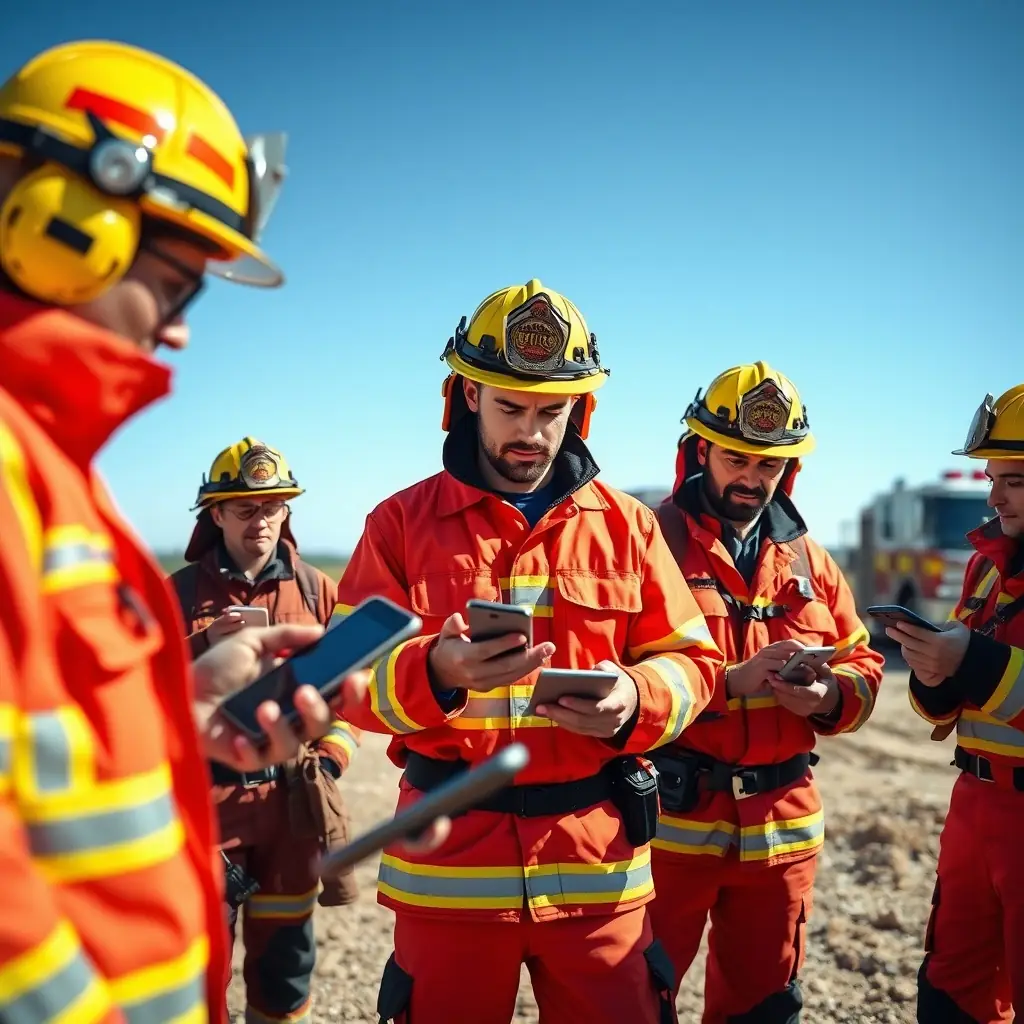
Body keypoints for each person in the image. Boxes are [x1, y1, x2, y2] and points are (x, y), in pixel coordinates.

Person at [0, 39, 445, 1024]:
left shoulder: (44, 469)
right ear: (63, 229)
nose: (180, 330)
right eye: (179, 283)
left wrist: (178, 722)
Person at [332, 278, 724, 1024]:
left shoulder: (630, 526)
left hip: (599, 873)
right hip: (447, 875)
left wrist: (637, 697)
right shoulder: (398, 524)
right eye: (511, 408)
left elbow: (695, 663)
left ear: (582, 409)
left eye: (553, 412)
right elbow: (341, 680)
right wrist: (434, 673)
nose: (533, 433)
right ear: (467, 396)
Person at [648, 362, 885, 1023]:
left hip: (781, 838)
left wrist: (831, 696)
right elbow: (617, 675)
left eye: (770, 466)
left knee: (764, 1009)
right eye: (736, 458)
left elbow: (864, 659)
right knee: (635, 1001)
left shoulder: (811, 560)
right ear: (700, 451)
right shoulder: (650, 544)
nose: (752, 478)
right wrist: (726, 684)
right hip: (671, 832)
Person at [169, 437, 362, 1024]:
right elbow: (135, 691)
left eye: (275, 507)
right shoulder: (176, 593)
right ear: (216, 514)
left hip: (290, 807)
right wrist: (202, 644)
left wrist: (327, 761)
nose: (262, 520)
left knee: (285, 967)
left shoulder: (316, 591)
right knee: (200, 963)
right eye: (246, 508)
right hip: (205, 805)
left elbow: (348, 701)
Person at [891, 384, 1024, 1024]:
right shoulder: (987, 567)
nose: (994, 497)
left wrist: (971, 660)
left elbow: (985, 665)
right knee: (951, 990)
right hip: (974, 807)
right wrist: (934, 675)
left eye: (1015, 481)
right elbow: (949, 708)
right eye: (994, 478)